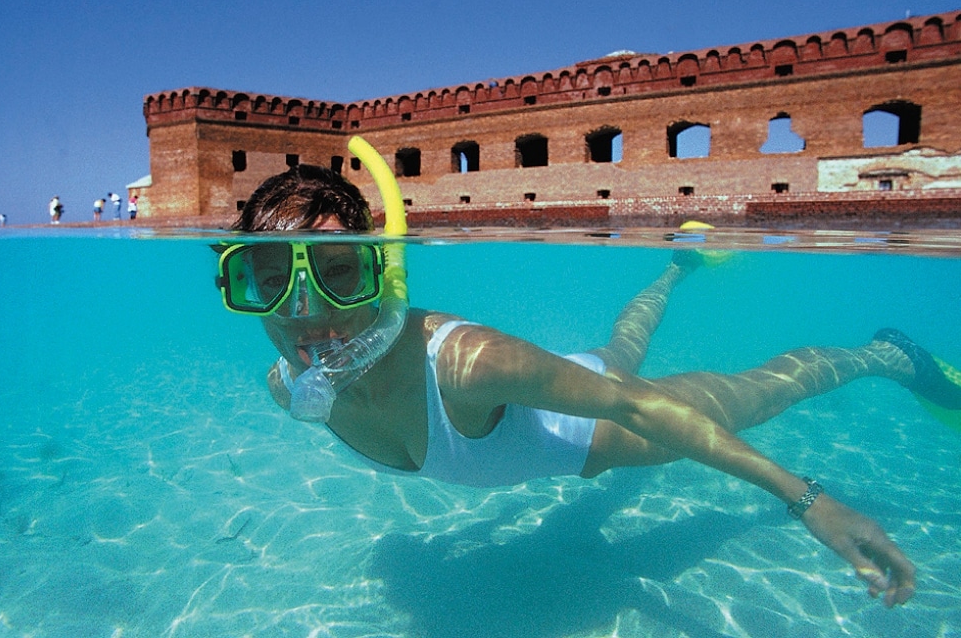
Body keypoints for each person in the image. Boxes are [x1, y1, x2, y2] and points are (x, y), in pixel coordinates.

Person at [220, 164, 961, 609]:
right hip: (572, 376)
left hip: (615, 433)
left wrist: (809, 500)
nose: (303, 312)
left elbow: (636, 405)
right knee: (619, 349)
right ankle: (677, 268)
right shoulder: (287, 385)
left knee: (766, 389)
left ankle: (887, 355)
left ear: (377, 271)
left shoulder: (465, 363)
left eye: (336, 270)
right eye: (268, 277)